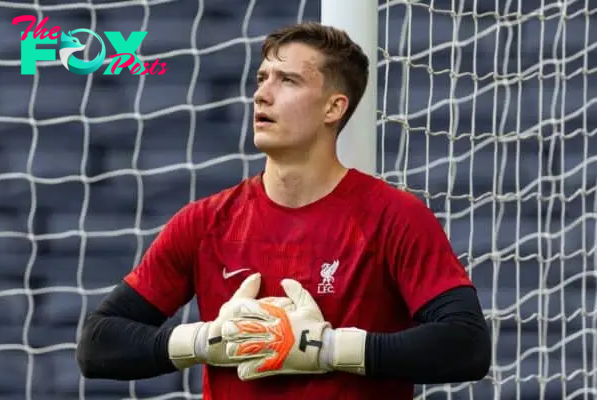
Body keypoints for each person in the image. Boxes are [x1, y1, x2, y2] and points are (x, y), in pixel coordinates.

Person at [76, 21, 491, 399]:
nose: (262, 93)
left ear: (334, 108)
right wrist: (207, 340)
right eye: (262, 78)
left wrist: (327, 349)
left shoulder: (394, 216)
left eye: (287, 80)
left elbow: (467, 345)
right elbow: (97, 343)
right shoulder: (205, 222)